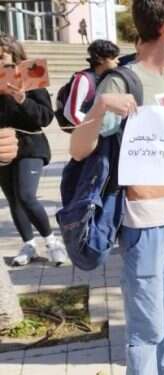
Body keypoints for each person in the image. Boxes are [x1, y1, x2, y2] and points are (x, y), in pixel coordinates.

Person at [68, 1, 164, 373]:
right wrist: (99, 108)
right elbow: (78, 150)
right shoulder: (122, 81)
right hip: (143, 225)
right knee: (147, 329)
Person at [0, 34, 68, 267]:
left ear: (14, 53)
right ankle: (28, 244)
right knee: (13, 199)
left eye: (2, 56)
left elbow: (46, 116)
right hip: (3, 146)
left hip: (30, 145)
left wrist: (22, 100)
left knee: (27, 195)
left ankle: (52, 242)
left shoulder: (31, 72)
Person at [64, 39, 121, 126]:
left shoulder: (110, 77)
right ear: (100, 59)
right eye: (113, 58)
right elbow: (71, 113)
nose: (118, 61)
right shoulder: (84, 79)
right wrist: (93, 127)